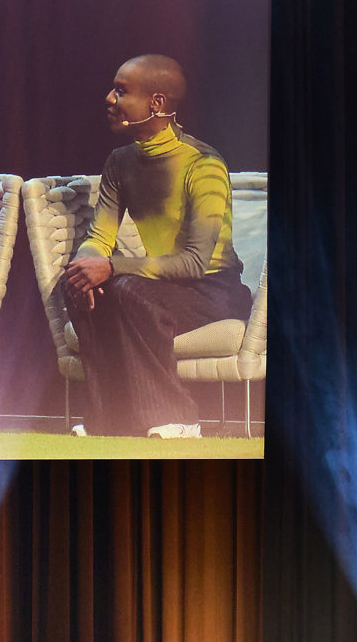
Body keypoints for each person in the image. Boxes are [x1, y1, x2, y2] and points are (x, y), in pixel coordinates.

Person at [61, 54, 251, 438]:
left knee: (129, 290)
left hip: (214, 291)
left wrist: (112, 267)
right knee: (76, 283)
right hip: (161, 285)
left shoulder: (203, 164)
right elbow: (99, 237)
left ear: (157, 103)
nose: (109, 99)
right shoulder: (120, 162)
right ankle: (109, 417)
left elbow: (195, 263)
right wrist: (85, 266)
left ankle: (181, 417)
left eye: (121, 91)